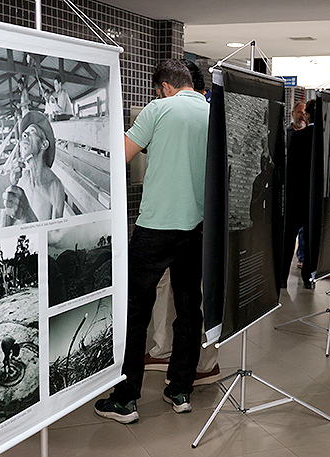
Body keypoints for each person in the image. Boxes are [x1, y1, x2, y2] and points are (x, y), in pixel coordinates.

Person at [94, 60, 209, 424]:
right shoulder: (211, 112)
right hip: (196, 227)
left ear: (162, 87)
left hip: (155, 227)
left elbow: (121, 157)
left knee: (135, 311)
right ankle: (180, 390)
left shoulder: (157, 109)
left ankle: (126, 399)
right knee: (189, 310)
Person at [144, 58, 220, 387]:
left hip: (172, 222)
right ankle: (189, 368)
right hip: (203, 223)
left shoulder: (170, 111)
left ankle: (191, 362)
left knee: (185, 298)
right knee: (193, 299)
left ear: (169, 87)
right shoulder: (210, 115)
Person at [2, 111, 65, 225]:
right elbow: (6, 226)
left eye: (32, 131)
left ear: (44, 144)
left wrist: (27, 213)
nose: (25, 135)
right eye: (25, 133)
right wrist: (11, 184)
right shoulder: (21, 178)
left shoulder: (55, 186)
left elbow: (56, 235)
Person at [281, 99, 315, 289]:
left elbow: (291, 167)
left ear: (308, 115)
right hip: (314, 197)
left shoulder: (299, 137)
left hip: (295, 195)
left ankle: (282, 278)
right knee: (311, 238)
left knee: (288, 237)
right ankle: (308, 278)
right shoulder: (325, 138)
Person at [287, 101, 307, 269]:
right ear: (293, 113)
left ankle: (302, 258)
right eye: (299, 112)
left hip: (305, 190)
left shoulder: (310, 136)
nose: (302, 115)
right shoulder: (285, 133)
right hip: (290, 188)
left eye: (304, 112)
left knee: (304, 229)